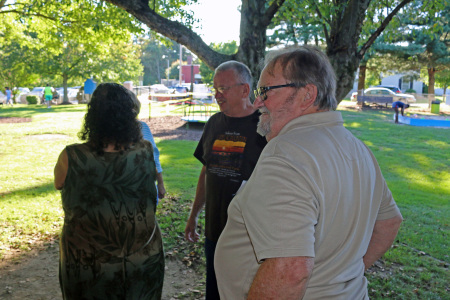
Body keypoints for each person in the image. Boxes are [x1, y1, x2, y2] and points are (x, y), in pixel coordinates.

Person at [215, 46, 403, 299]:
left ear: (307, 94)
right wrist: (339, 279)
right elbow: (389, 222)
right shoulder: (358, 148)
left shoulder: (285, 154)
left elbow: (290, 270)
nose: (258, 102)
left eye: (266, 91)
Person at [54, 83, 164, 299]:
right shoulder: (145, 151)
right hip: (141, 257)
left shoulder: (71, 157)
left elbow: (59, 184)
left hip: (87, 264)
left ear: (93, 116)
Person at [184, 61, 267, 299]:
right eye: (215, 89)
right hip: (215, 230)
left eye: (224, 89)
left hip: (249, 237)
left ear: (244, 90)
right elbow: (207, 172)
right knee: (215, 292)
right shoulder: (214, 123)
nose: (217, 95)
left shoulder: (266, 126)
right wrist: (194, 214)